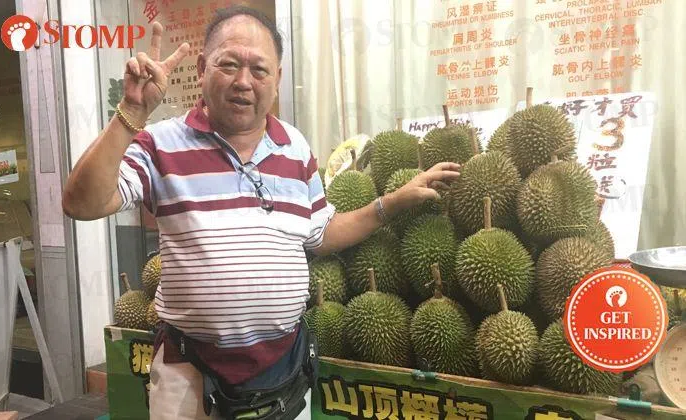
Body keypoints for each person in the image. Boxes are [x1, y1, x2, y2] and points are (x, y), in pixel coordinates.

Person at [62, 5, 460, 420]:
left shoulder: (296, 147)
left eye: (259, 69)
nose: (243, 81)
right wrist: (131, 113)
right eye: (228, 64)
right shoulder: (161, 143)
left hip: (282, 372)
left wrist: (392, 202)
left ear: (277, 78)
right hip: (189, 377)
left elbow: (321, 233)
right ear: (201, 68)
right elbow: (82, 203)